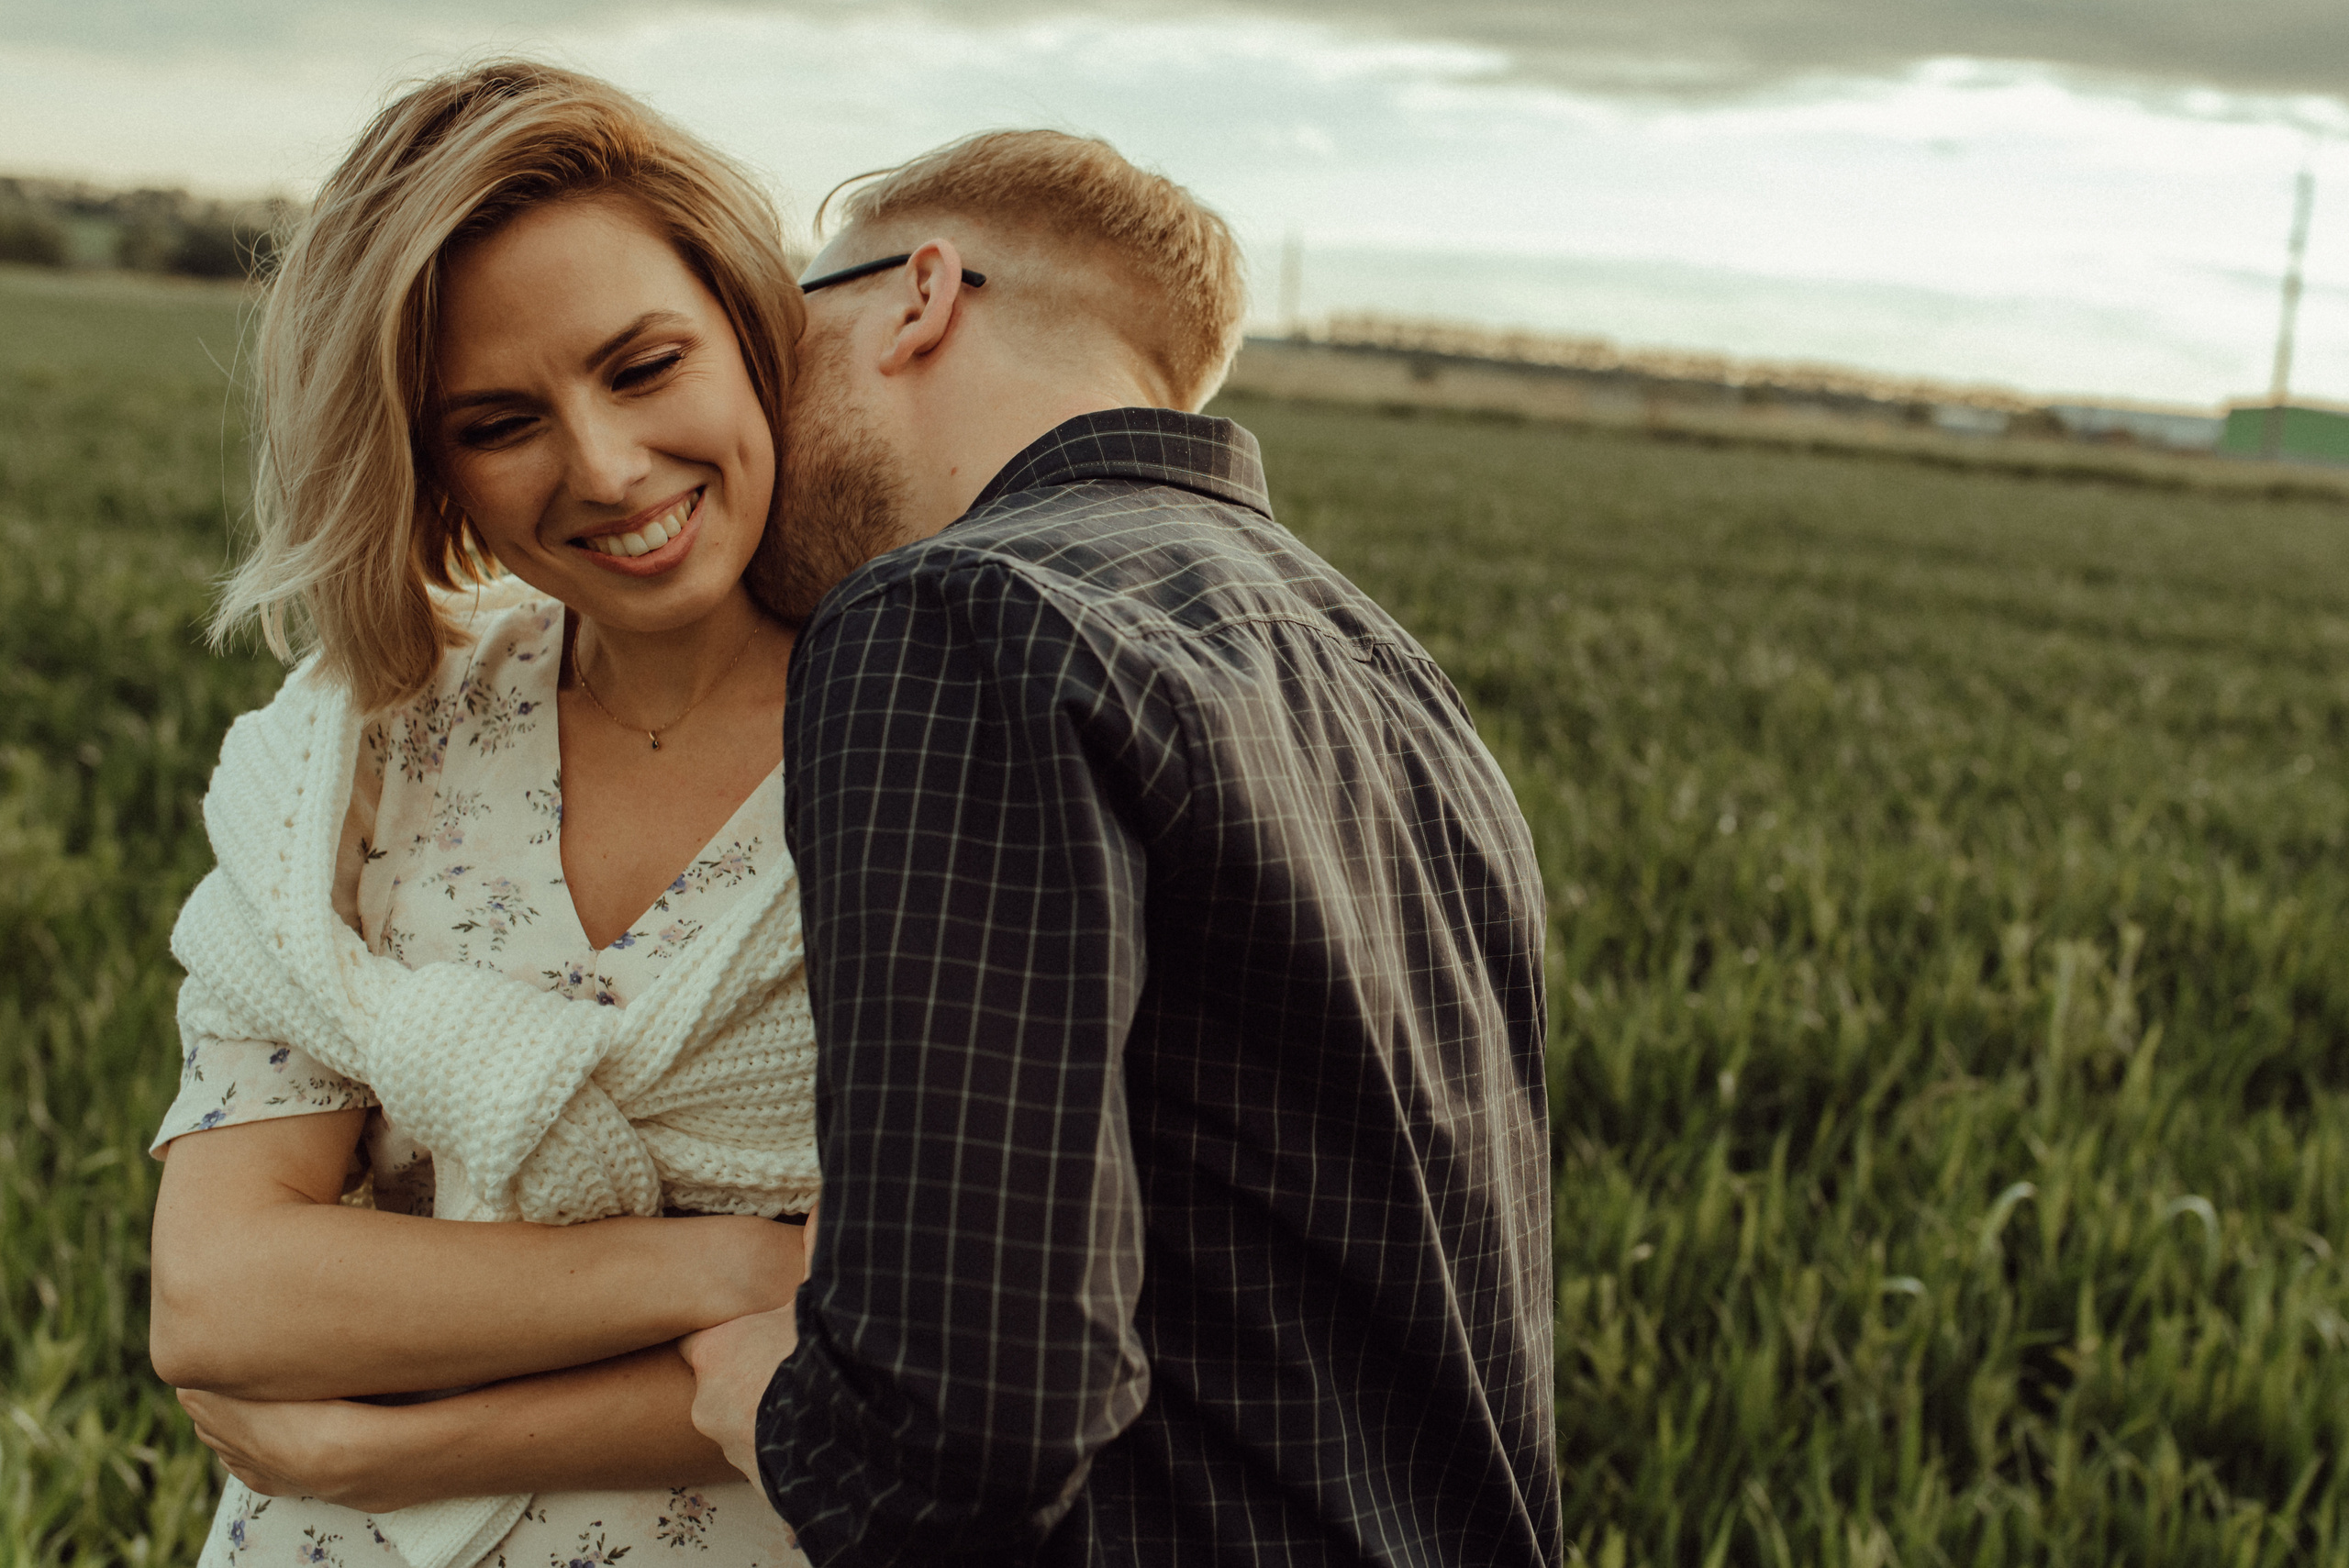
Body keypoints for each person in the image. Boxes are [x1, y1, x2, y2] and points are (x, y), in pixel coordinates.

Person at [683, 131, 1563, 1566]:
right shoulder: (1397, 679)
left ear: (918, 298)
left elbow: (961, 1427)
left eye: (785, 319)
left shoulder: (958, 615)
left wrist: (780, 1404)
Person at [148, 61, 821, 1568]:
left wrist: (383, 1439)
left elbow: (944, 1352)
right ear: (428, 469)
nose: (605, 466)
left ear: (752, 335)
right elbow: (221, 1292)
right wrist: (749, 1262)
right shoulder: (357, 752)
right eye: (503, 420)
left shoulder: (938, 750)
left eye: (644, 367)